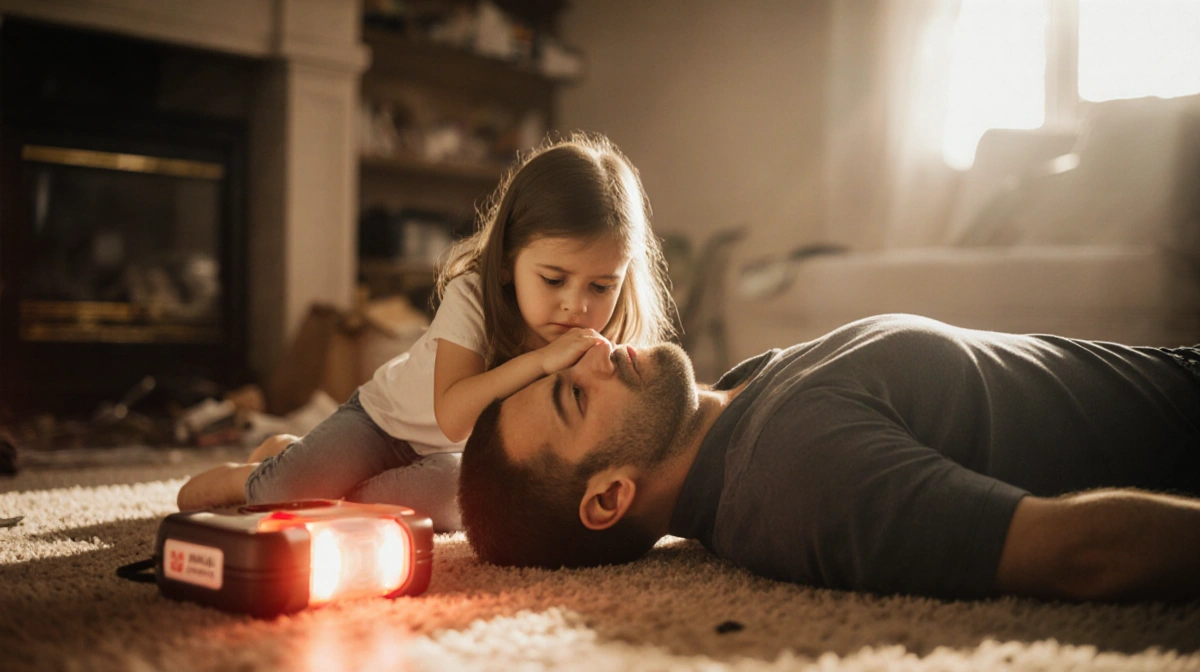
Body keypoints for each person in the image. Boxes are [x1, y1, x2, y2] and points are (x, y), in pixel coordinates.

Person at [458, 314, 1200, 601]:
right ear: (609, 499)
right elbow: (1079, 554)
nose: (590, 352)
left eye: (560, 365)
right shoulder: (799, 476)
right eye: (573, 398)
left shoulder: (741, 397)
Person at [176, 133, 677, 530]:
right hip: (381, 425)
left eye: (602, 285)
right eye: (553, 279)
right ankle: (269, 468)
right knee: (279, 498)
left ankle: (318, 474)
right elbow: (453, 415)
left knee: (461, 504)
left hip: (452, 460)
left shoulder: (603, 336)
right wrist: (539, 363)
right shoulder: (473, 296)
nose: (577, 305)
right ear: (506, 263)